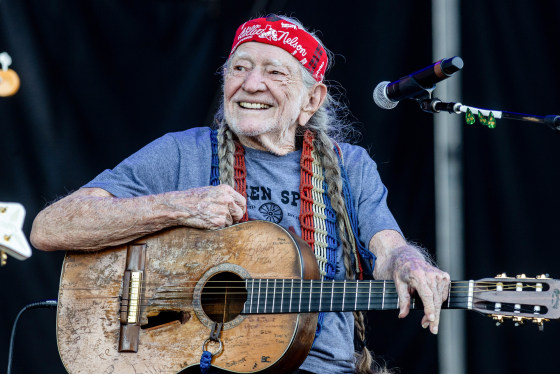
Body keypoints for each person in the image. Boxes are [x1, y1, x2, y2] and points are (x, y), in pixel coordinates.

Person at [31, 14, 450, 374]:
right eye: (239, 68)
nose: (251, 84)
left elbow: (389, 248)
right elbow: (50, 228)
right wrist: (173, 206)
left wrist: (411, 263)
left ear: (311, 99)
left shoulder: (349, 165)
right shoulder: (182, 152)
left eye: (274, 72)